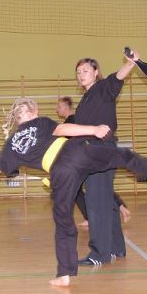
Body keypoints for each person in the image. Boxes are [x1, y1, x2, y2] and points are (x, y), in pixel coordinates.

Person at [0, 98, 147, 287]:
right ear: (34, 112)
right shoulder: (41, 122)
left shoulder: (11, 145)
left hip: (61, 172)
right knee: (122, 155)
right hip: (77, 151)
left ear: (16, 118)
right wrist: (93, 130)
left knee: (64, 222)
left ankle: (65, 274)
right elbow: (63, 130)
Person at [74, 52, 139, 266]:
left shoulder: (103, 88)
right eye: (78, 72)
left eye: (85, 70)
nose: (81, 74)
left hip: (100, 150)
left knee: (96, 203)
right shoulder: (86, 99)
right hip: (94, 152)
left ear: (96, 72)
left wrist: (130, 63)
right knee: (107, 202)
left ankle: (99, 254)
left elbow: (117, 77)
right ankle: (117, 248)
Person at [56, 96, 131, 227]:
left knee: (88, 189)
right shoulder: (74, 120)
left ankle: (116, 208)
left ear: (66, 106)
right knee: (95, 186)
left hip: (83, 161)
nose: (57, 110)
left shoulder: (71, 122)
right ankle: (119, 207)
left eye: (59, 106)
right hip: (85, 159)